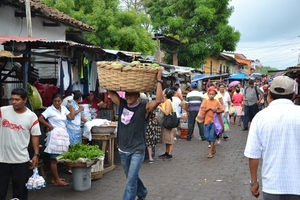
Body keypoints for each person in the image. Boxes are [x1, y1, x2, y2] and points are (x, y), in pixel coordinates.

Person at [107, 67, 163, 200]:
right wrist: (112, 74)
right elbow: (110, 90)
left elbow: (158, 100)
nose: (128, 96)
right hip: (123, 149)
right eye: (127, 94)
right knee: (131, 177)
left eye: (132, 94)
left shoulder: (144, 108)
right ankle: (142, 192)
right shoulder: (122, 104)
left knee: (131, 181)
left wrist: (159, 79)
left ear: (138, 96)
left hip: (137, 149)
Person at [244, 76, 300, 199]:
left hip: (272, 185)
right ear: (294, 94)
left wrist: (254, 182)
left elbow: (253, 154)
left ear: (269, 94)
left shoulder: (260, 118)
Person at [0, 88, 41, 200]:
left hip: (21, 160)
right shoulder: (2, 111)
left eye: (17, 100)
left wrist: (36, 154)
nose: (13, 102)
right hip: (2, 159)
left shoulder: (31, 116)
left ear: (25, 100)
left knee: (20, 192)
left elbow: (35, 136)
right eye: (12, 99)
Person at [38, 93, 75, 186]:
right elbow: (40, 118)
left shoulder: (63, 109)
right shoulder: (50, 110)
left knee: (58, 158)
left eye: (59, 101)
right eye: (55, 101)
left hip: (63, 134)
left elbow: (71, 117)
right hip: (55, 135)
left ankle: (55, 178)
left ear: (62, 101)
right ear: (52, 101)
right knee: (53, 159)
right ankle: (57, 180)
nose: (57, 103)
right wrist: (49, 126)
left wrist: (71, 106)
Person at [66, 91, 88, 173]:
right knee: (72, 148)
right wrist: (80, 110)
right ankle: (69, 167)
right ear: (79, 98)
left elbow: (80, 116)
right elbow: (70, 115)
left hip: (77, 128)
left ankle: (74, 165)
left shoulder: (77, 104)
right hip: (71, 128)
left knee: (77, 147)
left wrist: (88, 122)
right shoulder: (70, 103)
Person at [200, 86, 224, 158]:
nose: (211, 95)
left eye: (213, 94)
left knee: (212, 136)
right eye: (210, 94)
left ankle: (210, 152)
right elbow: (202, 109)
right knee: (206, 136)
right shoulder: (205, 101)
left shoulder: (217, 102)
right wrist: (210, 108)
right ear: (207, 94)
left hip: (214, 122)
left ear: (215, 95)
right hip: (207, 121)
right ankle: (213, 147)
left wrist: (216, 110)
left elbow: (222, 110)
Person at [157, 88, 176, 160]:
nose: (162, 91)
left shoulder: (168, 101)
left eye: (163, 91)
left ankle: (170, 154)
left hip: (168, 122)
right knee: (166, 138)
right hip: (165, 122)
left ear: (165, 94)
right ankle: (167, 152)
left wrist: (160, 107)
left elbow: (167, 113)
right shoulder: (166, 101)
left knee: (169, 138)